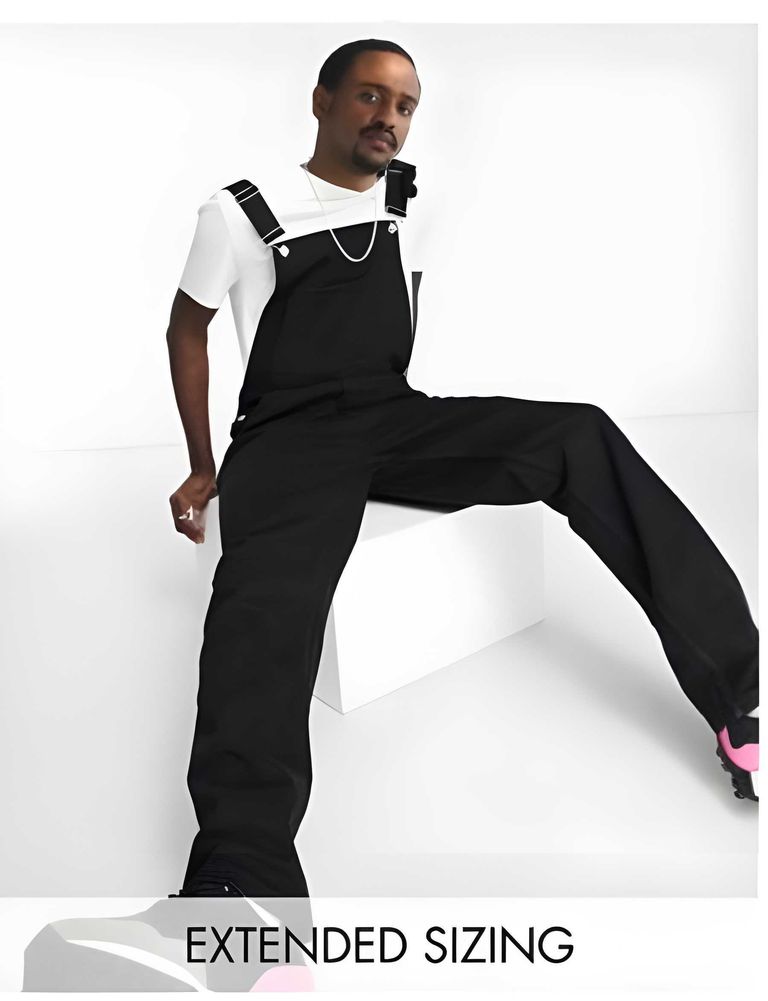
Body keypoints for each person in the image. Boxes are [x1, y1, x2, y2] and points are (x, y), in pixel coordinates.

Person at [164, 39, 759, 900]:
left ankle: (743, 701)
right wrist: (200, 464)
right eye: (370, 96)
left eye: (405, 106)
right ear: (322, 100)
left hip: (392, 415)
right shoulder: (239, 212)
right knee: (263, 610)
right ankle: (243, 872)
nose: (390, 118)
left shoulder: (398, 200)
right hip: (287, 441)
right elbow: (185, 329)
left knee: (578, 435)